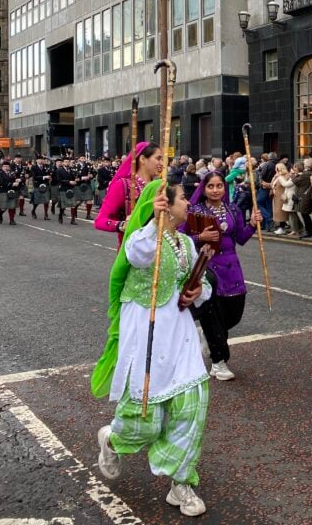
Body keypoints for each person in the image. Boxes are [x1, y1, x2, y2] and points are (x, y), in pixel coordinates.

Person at [90, 180, 211, 517]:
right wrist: (153, 221)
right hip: (147, 338)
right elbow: (135, 253)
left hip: (181, 338)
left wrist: (196, 292)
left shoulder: (185, 243)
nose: (189, 203)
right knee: (144, 424)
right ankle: (112, 440)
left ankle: (181, 483)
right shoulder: (145, 240)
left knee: (193, 408)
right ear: (165, 205)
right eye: (183, 199)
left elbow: (202, 285)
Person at [186, 170, 262, 381]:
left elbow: (241, 238)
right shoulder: (195, 210)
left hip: (232, 268)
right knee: (214, 315)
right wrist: (200, 236)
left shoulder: (233, 209)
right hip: (208, 268)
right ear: (204, 188)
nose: (215, 190)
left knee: (233, 314)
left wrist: (252, 225)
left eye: (219, 185)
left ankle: (208, 335)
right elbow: (181, 238)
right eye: (211, 186)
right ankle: (219, 362)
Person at [95, 143, 164, 248]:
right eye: (158, 158)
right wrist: (122, 225)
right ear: (142, 159)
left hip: (161, 251)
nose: (162, 163)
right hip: (133, 252)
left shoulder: (161, 187)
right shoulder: (124, 185)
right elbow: (100, 221)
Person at [294, 159, 312, 239]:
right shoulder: (308, 173)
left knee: (305, 214)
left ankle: (310, 231)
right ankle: (310, 231)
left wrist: (295, 175)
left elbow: (295, 181)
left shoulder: (306, 174)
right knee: (304, 214)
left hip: (305, 197)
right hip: (305, 196)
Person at [30, 155, 53, 220]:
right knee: (37, 201)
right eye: (39, 159)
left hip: (45, 185)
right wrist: (44, 177)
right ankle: (33, 211)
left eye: (42, 159)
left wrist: (49, 177)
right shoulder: (33, 167)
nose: (41, 161)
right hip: (37, 186)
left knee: (46, 200)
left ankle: (46, 215)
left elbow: (49, 173)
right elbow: (34, 177)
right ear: (36, 160)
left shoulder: (46, 167)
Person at [270, 163, 290, 234]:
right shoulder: (277, 176)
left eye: (276, 168)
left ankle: (282, 228)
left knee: (281, 213)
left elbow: (285, 184)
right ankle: (281, 227)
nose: (275, 169)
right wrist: (274, 177)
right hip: (276, 196)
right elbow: (272, 185)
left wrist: (279, 177)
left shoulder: (286, 175)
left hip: (282, 197)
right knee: (278, 213)